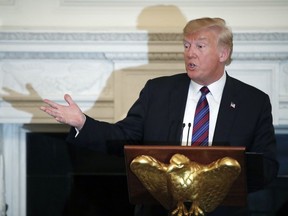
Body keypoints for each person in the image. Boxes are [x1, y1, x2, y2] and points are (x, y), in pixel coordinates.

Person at [40, 17, 279, 215]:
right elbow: (124, 137)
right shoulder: (158, 91)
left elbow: (267, 166)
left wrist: (224, 177)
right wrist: (83, 122)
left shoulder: (253, 102)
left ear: (223, 53)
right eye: (186, 46)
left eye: (200, 46)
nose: (190, 54)